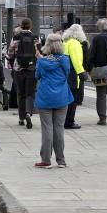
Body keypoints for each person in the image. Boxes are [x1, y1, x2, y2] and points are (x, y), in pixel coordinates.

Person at [33, 34, 74, 168]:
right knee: (59, 128)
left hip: (45, 98)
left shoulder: (42, 61)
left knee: (47, 129)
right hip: (62, 97)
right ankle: (61, 160)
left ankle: (46, 160)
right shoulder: (65, 60)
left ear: (48, 46)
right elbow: (67, 73)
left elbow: (37, 76)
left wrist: (40, 59)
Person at [7, 17, 39, 129]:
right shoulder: (35, 37)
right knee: (30, 93)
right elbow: (38, 54)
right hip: (32, 68)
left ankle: (21, 118)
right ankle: (28, 113)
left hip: (18, 69)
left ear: (21, 26)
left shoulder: (15, 38)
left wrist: (12, 61)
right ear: (30, 26)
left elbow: (10, 53)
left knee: (20, 93)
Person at [62, 24, 88, 129]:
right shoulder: (75, 43)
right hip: (74, 75)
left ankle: (64, 120)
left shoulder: (65, 42)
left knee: (67, 99)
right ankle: (69, 122)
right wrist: (82, 73)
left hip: (65, 74)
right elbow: (76, 61)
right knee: (74, 99)